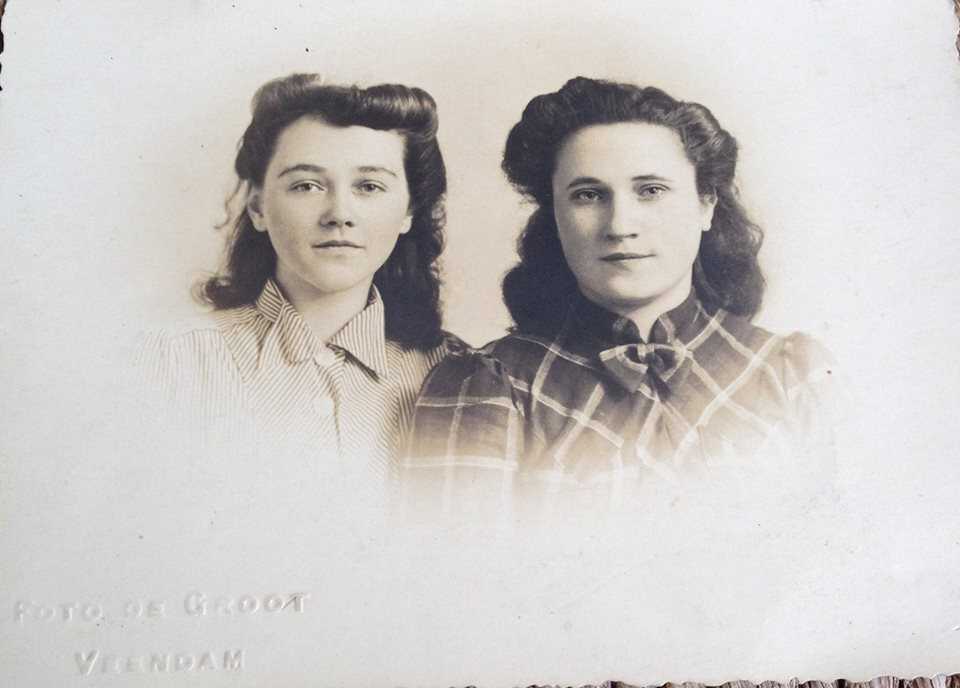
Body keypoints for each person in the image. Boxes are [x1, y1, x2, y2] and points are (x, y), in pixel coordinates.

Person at [405, 77, 836, 507]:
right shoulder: (491, 385)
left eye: (651, 191)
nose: (620, 225)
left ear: (706, 204)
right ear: (555, 215)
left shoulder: (794, 376)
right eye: (589, 195)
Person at [138, 74, 457, 491]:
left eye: (369, 186)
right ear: (257, 207)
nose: (339, 214)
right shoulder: (167, 362)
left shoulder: (454, 375)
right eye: (306, 185)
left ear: (409, 212)